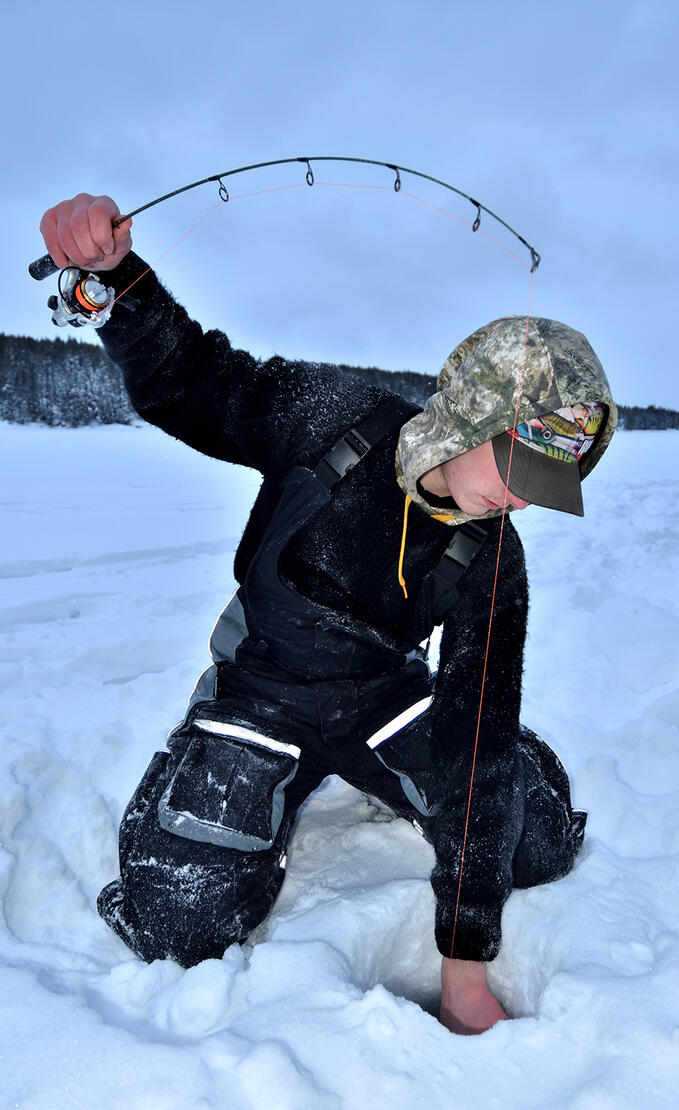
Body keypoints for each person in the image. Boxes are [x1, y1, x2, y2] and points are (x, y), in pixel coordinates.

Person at [38, 194, 617, 1035]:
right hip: (264, 690)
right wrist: (115, 280)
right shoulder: (335, 418)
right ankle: (212, 770)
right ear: (472, 414)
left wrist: (464, 961)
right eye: (518, 463)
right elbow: (188, 381)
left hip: (384, 698)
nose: (523, 499)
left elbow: (477, 739)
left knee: (533, 840)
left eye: (548, 482)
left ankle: (398, 786)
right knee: (181, 921)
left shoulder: (495, 556)